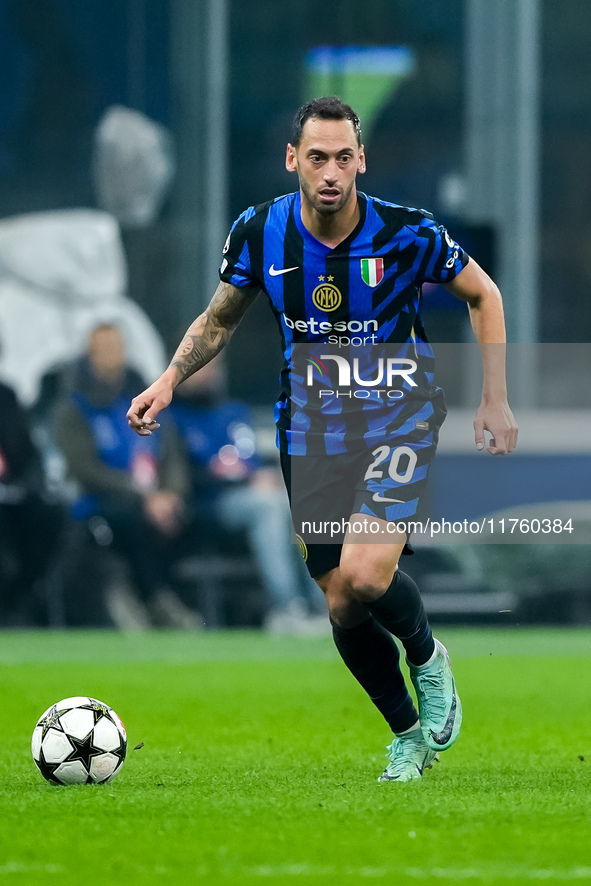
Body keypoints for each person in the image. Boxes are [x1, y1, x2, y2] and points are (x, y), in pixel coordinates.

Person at [127, 96, 518, 782]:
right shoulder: (259, 232)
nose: (330, 171)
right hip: (308, 430)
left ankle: (427, 657)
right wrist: (167, 379)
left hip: (398, 413)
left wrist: (493, 398)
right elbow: (219, 320)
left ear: (360, 160)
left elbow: (482, 293)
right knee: (340, 597)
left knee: (368, 575)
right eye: (316, 158)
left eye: (343, 157)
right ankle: (406, 735)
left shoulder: (407, 232)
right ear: (292, 161)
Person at [55, 323, 202, 629]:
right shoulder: (74, 408)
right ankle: (152, 598)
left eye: (117, 347)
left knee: (188, 517)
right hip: (101, 501)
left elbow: (172, 454)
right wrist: (144, 497)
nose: (112, 355)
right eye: (104, 349)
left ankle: (159, 597)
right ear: (89, 355)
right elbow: (85, 469)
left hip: (155, 499)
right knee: (130, 519)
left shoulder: (146, 397)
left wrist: (171, 493)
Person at [169, 357, 327, 632]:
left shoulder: (234, 412)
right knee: (268, 506)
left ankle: (325, 606)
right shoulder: (172, 417)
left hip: (250, 496)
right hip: (207, 505)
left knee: (298, 502)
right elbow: (179, 476)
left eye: (211, 366)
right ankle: (287, 608)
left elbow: (250, 460)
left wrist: (266, 477)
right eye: (198, 366)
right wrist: (236, 478)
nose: (205, 373)